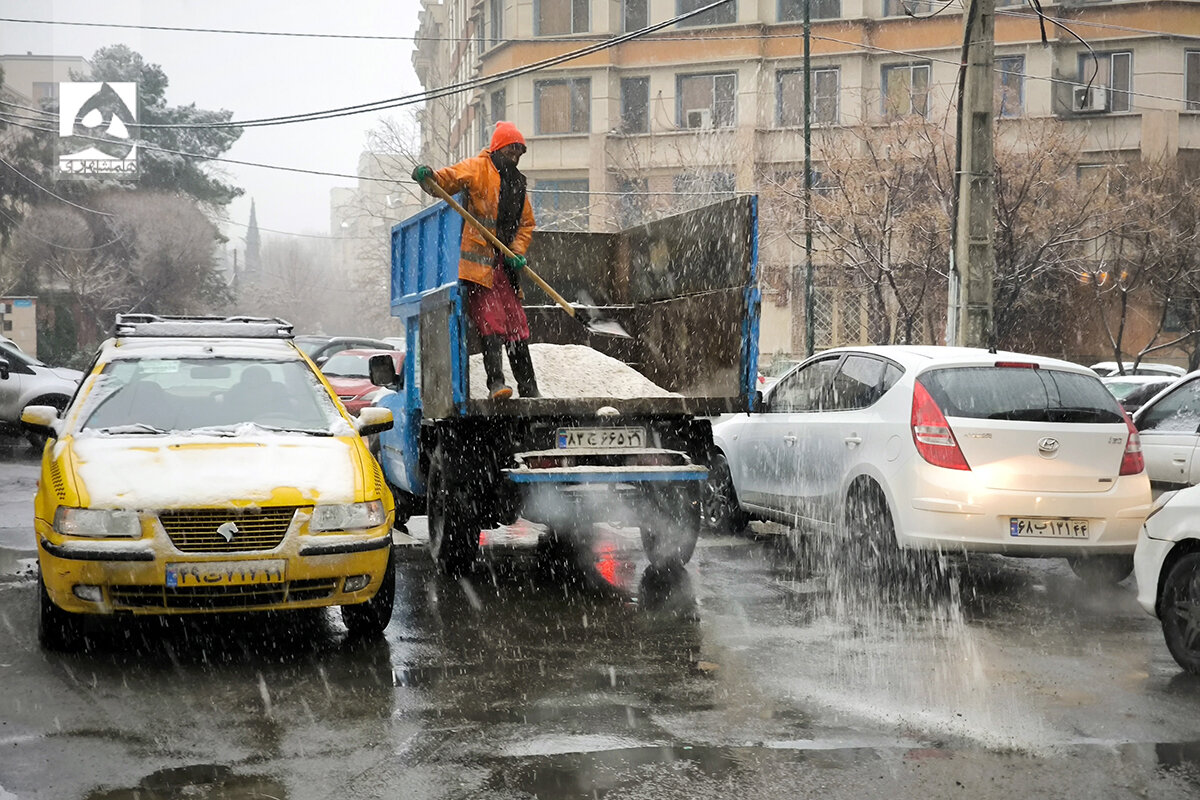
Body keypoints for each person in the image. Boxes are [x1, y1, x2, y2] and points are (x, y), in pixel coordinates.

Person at [411, 121, 540, 400]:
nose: (515, 157)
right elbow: (446, 180)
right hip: (479, 267)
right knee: (492, 321)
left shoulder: (518, 183)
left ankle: (529, 388)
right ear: (497, 149)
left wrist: (517, 251)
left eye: (519, 152)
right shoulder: (477, 168)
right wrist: (429, 176)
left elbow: (527, 223)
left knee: (517, 324)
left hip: (506, 268)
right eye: (511, 150)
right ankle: (496, 383)